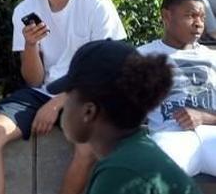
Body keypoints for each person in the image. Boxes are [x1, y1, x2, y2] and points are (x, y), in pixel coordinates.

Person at [0, 0, 126, 194]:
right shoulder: (25, 10)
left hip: (86, 93)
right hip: (42, 91)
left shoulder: (96, 6)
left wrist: (58, 103)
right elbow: (33, 80)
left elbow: (106, 70)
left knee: (87, 147)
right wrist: (31, 46)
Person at [49, 39, 198, 194]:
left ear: (88, 112)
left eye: (68, 96)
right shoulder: (134, 154)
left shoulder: (121, 172)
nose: (64, 105)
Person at [139, 0, 216, 178]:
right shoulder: (143, 56)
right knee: (150, 175)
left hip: (212, 135)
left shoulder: (212, 57)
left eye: (202, 17)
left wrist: (204, 117)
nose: (198, 24)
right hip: (171, 136)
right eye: (190, 16)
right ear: (167, 16)